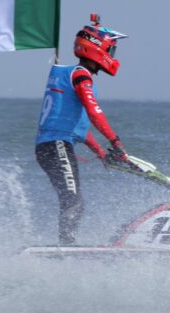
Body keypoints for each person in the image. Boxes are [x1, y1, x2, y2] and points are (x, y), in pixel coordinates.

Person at [35, 14, 132, 245]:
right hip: (57, 145)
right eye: (111, 50)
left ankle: (66, 245)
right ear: (98, 48)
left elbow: (76, 127)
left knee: (73, 201)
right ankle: (66, 247)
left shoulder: (66, 75)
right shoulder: (80, 75)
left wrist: (100, 152)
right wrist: (116, 143)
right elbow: (93, 110)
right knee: (74, 202)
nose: (112, 56)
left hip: (51, 146)